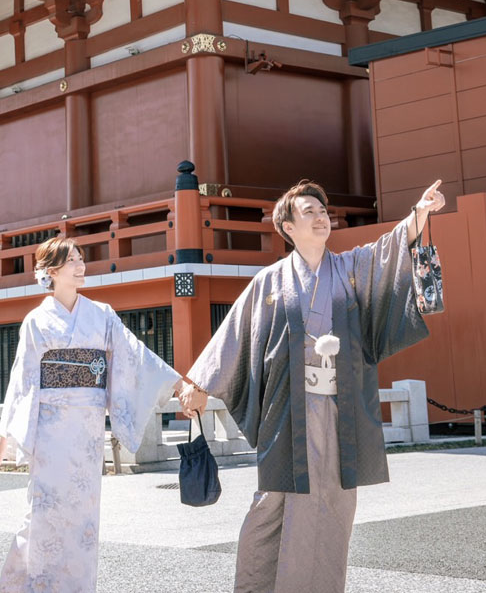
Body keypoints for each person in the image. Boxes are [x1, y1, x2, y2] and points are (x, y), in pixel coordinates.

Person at [179, 179, 446, 593]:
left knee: (335, 503)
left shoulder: (349, 269)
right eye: (309, 212)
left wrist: (420, 213)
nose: (321, 218)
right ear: (287, 227)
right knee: (274, 502)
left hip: (340, 411)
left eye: (323, 211)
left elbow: (387, 251)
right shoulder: (270, 282)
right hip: (289, 412)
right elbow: (234, 334)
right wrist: (199, 382)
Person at [0, 236, 188, 593]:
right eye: (72, 261)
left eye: (81, 259)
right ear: (51, 272)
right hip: (50, 427)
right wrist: (3, 442)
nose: (81, 266)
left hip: (87, 428)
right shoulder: (36, 321)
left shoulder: (102, 314)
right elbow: (23, 382)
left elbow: (133, 355)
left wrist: (176, 384)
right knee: (44, 511)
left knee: (83, 517)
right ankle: (32, 585)